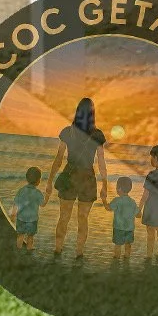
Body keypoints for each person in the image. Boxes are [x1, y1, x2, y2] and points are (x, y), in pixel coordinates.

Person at [45, 97, 109, 261]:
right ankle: (79, 254)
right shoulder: (97, 134)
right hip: (87, 178)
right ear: (93, 113)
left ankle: (57, 251)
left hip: (69, 175)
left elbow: (58, 158)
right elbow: (101, 163)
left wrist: (50, 181)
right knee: (83, 219)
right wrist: (105, 185)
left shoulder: (68, 131)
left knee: (64, 217)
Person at [11, 166, 45, 251]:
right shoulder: (38, 193)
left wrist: (13, 215)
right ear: (38, 181)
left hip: (21, 218)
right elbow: (42, 204)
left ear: (27, 178)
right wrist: (47, 196)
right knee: (30, 236)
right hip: (32, 219)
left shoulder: (21, 190)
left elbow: (15, 203)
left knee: (20, 235)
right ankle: (29, 249)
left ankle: (18, 249)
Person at [107, 177, 137, 268]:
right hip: (130, 228)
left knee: (118, 245)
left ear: (119, 188)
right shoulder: (132, 202)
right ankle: (126, 260)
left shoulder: (117, 200)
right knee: (128, 244)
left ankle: (116, 260)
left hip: (118, 228)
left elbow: (108, 208)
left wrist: (104, 200)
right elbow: (138, 214)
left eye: (116, 187)